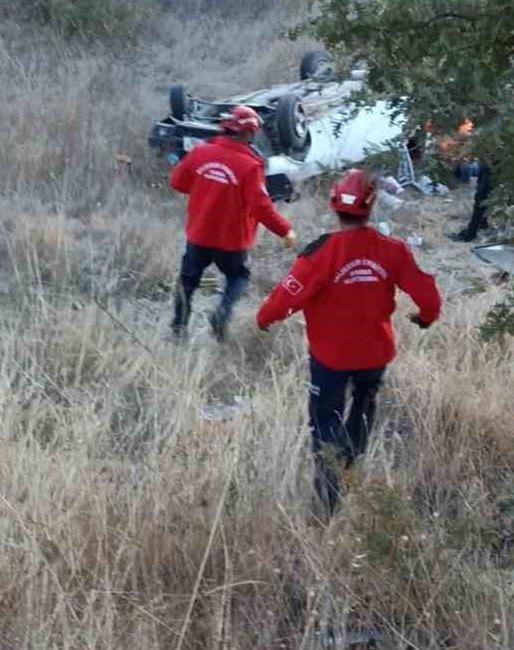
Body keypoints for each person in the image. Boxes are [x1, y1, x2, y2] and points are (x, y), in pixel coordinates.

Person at [256, 169, 442, 515]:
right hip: (375, 353)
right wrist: (426, 318)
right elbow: (428, 295)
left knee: (326, 422)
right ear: (371, 207)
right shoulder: (393, 250)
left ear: (333, 205)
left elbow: (283, 299)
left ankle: (327, 499)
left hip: (330, 359)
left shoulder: (319, 255)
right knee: (362, 411)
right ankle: (351, 467)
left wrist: (263, 319)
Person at [169, 105, 297, 341]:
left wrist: (204, 190)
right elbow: (261, 207)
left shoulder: (200, 152)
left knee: (187, 281)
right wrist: (285, 230)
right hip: (232, 241)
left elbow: (176, 182)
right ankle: (222, 313)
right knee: (238, 277)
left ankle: (178, 330)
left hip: (199, 235)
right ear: (248, 133)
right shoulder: (250, 166)